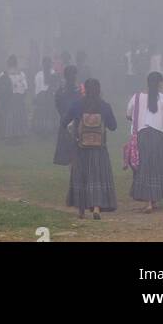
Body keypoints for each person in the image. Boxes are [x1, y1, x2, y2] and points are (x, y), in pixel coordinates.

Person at [63, 77, 118, 218]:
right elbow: (113, 126)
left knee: (81, 177)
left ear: (85, 90)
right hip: (99, 148)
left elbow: (64, 122)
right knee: (97, 177)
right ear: (99, 91)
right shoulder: (105, 106)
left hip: (80, 147)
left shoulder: (77, 105)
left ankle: (81, 210)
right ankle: (96, 208)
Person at [126, 70, 163, 211]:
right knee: (158, 167)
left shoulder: (136, 97)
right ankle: (155, 199)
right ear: (160, 84)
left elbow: (128, 115)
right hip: (160, 137)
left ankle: (149, 202)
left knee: (145, 167)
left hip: (143, 136)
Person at [0, 55, 30, 143]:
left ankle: (6, 134)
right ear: (16, 63)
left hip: (6, 100)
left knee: (7, 117)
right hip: (18, 99)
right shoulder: (21, 74)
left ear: (7, 64)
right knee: (19, 116)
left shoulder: (3, 74)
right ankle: (19, 133)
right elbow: (25, 88)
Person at [53, 64, 81, 165]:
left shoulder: (62, 90)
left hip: (66, 119)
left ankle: (68, 160)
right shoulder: (76, 90)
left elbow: (57, 104)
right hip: (72, 119)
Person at [32, 56, 56, 137]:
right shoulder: (53, 73)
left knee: (41, 113)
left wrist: (36, 97)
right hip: (50, 96)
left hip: (41, 96)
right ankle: (49, 129)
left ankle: (41, 129)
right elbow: (55, 87)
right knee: (49, 113)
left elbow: (37, 88)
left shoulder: (38, 74)